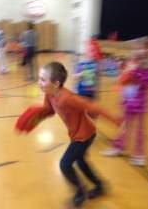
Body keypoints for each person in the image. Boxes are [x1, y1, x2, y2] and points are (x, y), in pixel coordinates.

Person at [17, 62, 121, 207]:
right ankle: (100, 186)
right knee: (81, 161)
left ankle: (80, 191)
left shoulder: (67, 98)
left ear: (56, 83)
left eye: (42, 79)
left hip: (85, 135)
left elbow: (92, 106)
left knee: (65, 164)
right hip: (76, 134)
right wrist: (35, 117)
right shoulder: (50, 94)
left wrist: (114, 119)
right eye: (39, 78)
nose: (39, 82)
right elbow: (49, 110)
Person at [102, 38, 148, 166]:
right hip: (128, 100)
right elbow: (123, 78)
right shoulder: (132, 61)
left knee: (139, 129)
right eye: (137, 48)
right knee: (124, 126)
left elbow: (146, 82)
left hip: (140, 103)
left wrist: (134, 71)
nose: (139, 51)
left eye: (142, 48)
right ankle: (118, 147)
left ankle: (140, 155)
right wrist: (123, 69)